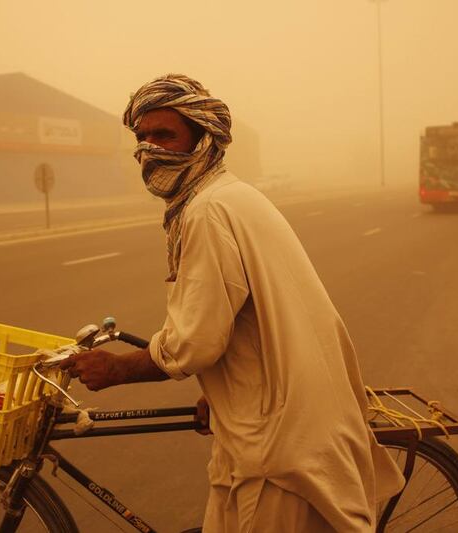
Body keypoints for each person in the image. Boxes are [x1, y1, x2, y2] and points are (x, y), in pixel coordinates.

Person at [61, 74, 404, 532]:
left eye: (164, 135)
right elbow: (248, 319)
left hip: (277, 441)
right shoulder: (229, 196)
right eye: (141, 137)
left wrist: (118, 369)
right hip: (254, 424)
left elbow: (196, 342)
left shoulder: (209, 211)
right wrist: (219, 392)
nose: (149, 149)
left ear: (203, 139)